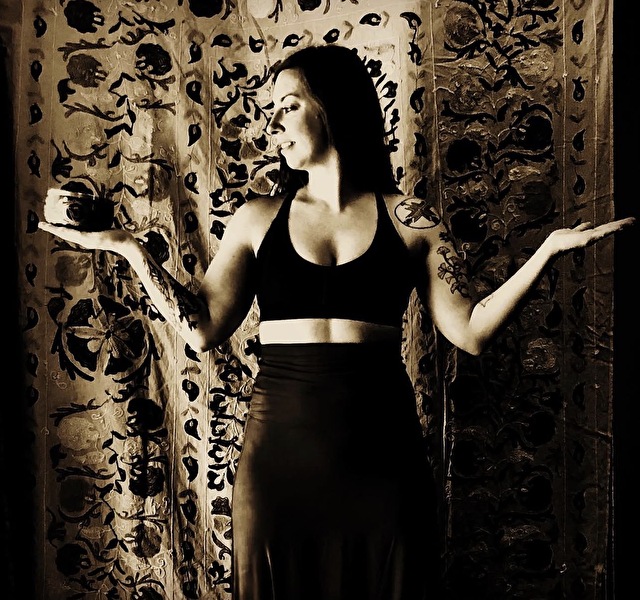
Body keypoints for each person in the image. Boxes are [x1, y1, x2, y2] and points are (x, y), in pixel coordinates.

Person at [38, 44, 634, 600]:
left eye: (288, 106)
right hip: (278, 473)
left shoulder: (410, 218)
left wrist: (547, 251)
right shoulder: (256, 218)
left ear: (333, 107)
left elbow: (472, 332)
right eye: (272, 110)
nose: (273, 124)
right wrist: (129, 248)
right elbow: (202, 329)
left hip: (384, 469)